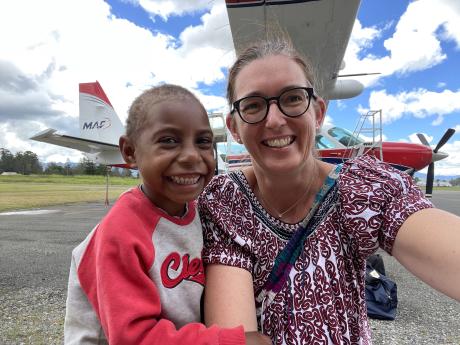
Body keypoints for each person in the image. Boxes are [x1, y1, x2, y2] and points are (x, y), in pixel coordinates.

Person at [198, 37, 460, 345]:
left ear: (318, 112)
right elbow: (237, 336)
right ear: (234, 127)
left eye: (293, 98)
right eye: (253, 105)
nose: (274, 119)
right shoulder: (225, 203)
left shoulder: (365, 188)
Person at [63, 84, 271, 345]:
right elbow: (134, 338)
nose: (191, 156)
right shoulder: (120, 234)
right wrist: (228, 341)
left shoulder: (197, 211)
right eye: (169, 141)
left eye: (203, 141)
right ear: (130, 152)